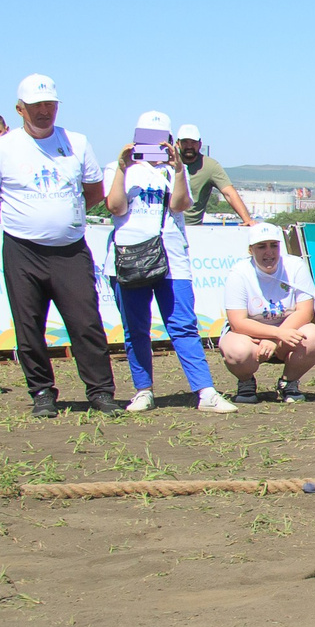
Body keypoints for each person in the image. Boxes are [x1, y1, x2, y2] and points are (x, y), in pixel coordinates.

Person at [0, 74, 119, 417]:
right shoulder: (1, 148)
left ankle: (101, 392)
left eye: (49, 105)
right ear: (20, 108)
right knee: (29, 325)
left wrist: (65, 215)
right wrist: (18, 217)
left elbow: (94, 191)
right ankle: (41, 392)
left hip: (70, 249)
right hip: (23, 250)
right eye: (36, 106)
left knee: (86, 323)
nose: (43, 112)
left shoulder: (77, 142)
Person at [103, 111, 230, 413]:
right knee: (136, 327)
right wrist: (123, 167)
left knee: (183, 325)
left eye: (160, 141)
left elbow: (180, 205)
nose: (152, 148)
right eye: (144, 140)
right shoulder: (117, 168)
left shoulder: (175, 170)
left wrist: (176, 170)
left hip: (172, 257)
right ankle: (143, 390)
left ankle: (205, 391)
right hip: (128, 256)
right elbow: (116, 207)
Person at [218, 224, 315, 402]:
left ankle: (288, 383)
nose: (269, 252)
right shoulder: (239, 273)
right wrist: (276, 334)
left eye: (273, 245)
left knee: (313, 337)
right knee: (236, 350)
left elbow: (306, 312)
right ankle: (246, 382)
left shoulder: (295, 266)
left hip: (287, 333)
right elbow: (237, 322)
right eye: (261, 247)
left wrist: (276, 339)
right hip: (249, 336)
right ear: (251, 250)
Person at [177, 125, 252, 224]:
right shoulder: (168, 163)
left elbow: (229, 193)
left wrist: (248, 220)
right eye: (185, 142)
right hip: (168, 227)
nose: (189, 146)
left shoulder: (210, 166)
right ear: (178, 144)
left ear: (200, 144)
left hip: (193, 228)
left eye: (193, 142)